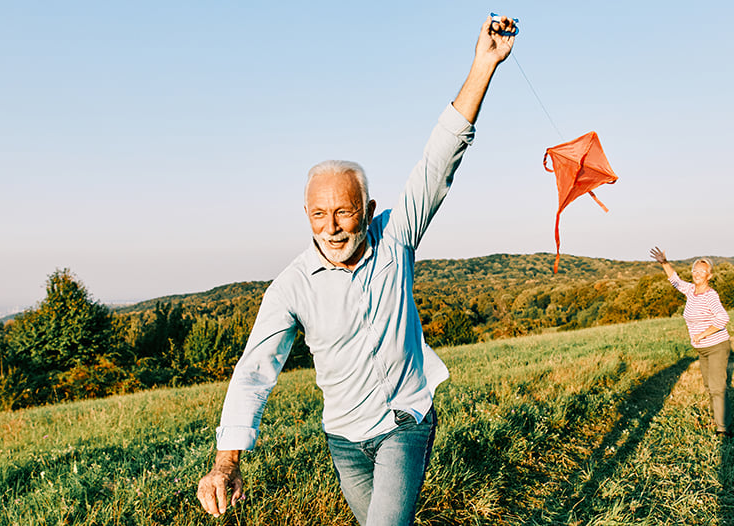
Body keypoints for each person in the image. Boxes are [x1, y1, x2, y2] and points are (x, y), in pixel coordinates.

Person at [197, 15, 518, 525]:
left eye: (345, 212)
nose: (333, 227)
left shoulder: (396, 236)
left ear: (368, 210)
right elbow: (254, 370)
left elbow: (440, 158)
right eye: (320, 215)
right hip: (344, 439)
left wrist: (484, 65)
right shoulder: (290, 288)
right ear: (307, 216)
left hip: (403, 421)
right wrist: (226, 461)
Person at [649, 247, 734, 437]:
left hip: (716, 346)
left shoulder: (710, 295)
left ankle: (723, 428)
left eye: (702, 271)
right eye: (695, 270)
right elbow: (675, 280)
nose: (697, 274)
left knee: (717, 387)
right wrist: (664, 262)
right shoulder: (691, 291)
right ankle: (718, 418)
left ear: (709, 275)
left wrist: (703, 334)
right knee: (709, 386)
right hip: (702, 350)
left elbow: (722, 318)